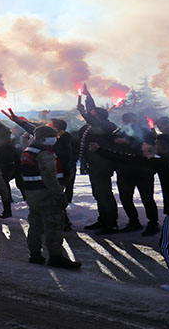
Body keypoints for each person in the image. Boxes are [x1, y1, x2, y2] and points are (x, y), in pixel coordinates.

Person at [91, 134, 169, 293]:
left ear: (162, 146)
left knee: (167, 246)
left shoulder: (162, 162)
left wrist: (99, 150)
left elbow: (129, 159)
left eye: (157, 143)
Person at [21, 126, 81, 269]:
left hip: (32, 193)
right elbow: (50, 177)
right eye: (51, 136)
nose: (54, 139)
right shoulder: (44, 153)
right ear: (43, 137)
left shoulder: (29, 150)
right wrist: (60, 196)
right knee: (53, 225)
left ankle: (35, 254)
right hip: (47, 194)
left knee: (35, 224)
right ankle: (56, 257)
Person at [77, 84, 120, 235]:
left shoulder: (107, 126)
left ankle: (111, 223)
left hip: (103, 165)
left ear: (99, 117)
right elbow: (92, 113)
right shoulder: (96, 124)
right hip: (94, 165)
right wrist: (88, 96)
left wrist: (83, 113)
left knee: (104, 194)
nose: (90, 115)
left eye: (93, 114)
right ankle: (103, 219)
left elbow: (93, 119)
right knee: (98, 194)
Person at [113, 112, 159, 235]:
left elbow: (150, 148)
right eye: (126, 120)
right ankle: (133, 221)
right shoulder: (120, 132)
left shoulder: (146, 132)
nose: (130, 123)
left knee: (147, 198)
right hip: (125, 170)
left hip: (143, 170)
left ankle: (153, 223)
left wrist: (130, 142)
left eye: (132, 120)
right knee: (125, 198)